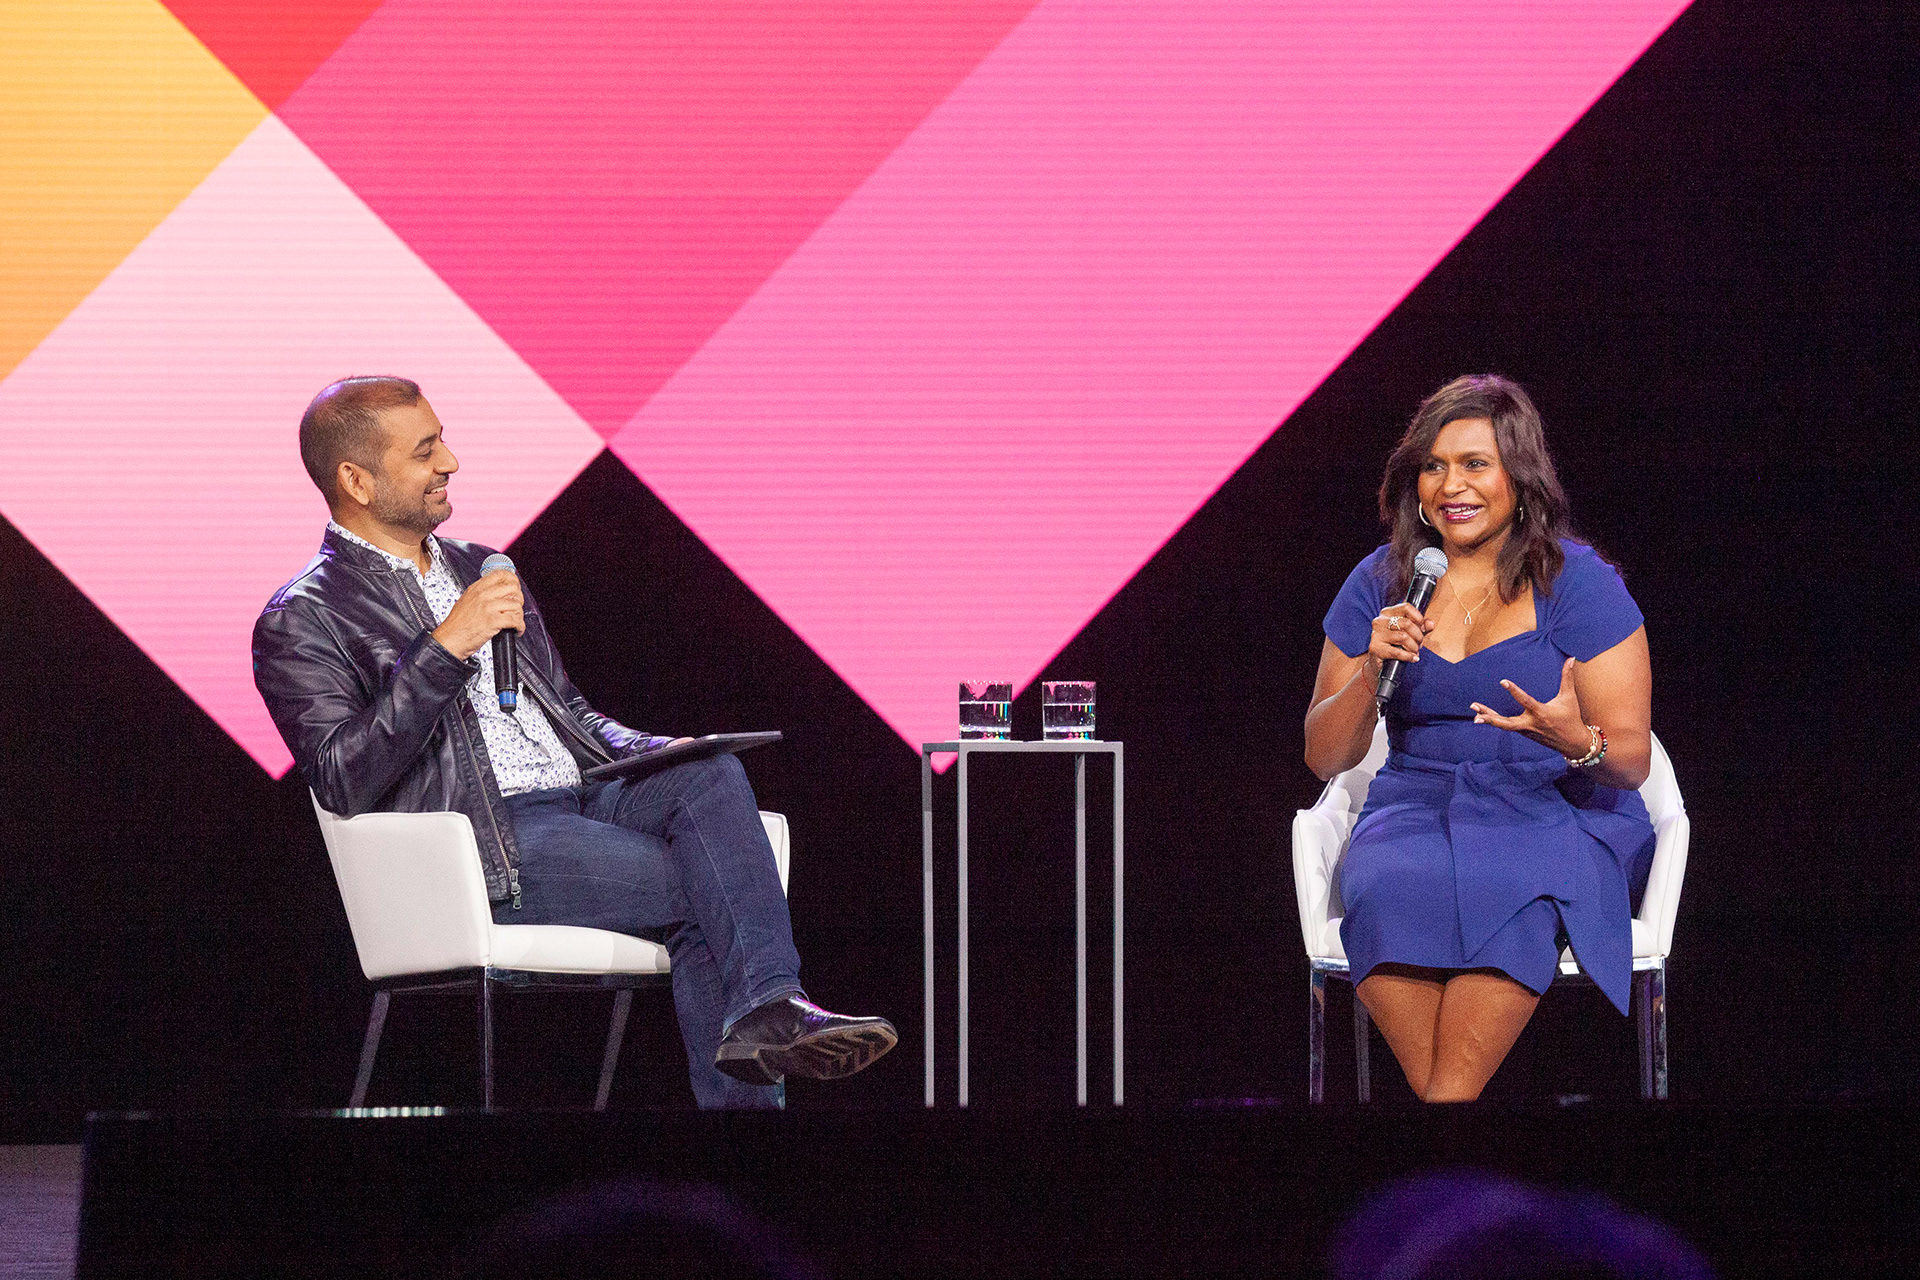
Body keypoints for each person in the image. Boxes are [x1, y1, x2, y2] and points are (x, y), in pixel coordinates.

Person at [254, 376, 896, 1108]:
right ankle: (756, 1093)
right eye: (426, 450)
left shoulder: (481, 566)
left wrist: (660, 749)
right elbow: (341, 776)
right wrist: (444, 648)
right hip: (486, 836)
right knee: (711, 897)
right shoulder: (302, 617)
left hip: (587, 798)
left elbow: (572, 717)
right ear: (356, 480)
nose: (452, 462)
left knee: (711, 775)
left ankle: (768, 1012)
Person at [1304, 375, 1654, 1102]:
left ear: (1519, 479)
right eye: (1434, 466)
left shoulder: (1579, 584)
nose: (1450, 486)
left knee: (1513, 894)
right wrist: (1373, 666)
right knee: (1383, 888)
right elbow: (1325, 756)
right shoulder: (1382, 582)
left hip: (1550, 807)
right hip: (1413, 807)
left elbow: (1629, 760)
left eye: (1474, 464)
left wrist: (1571, 737)